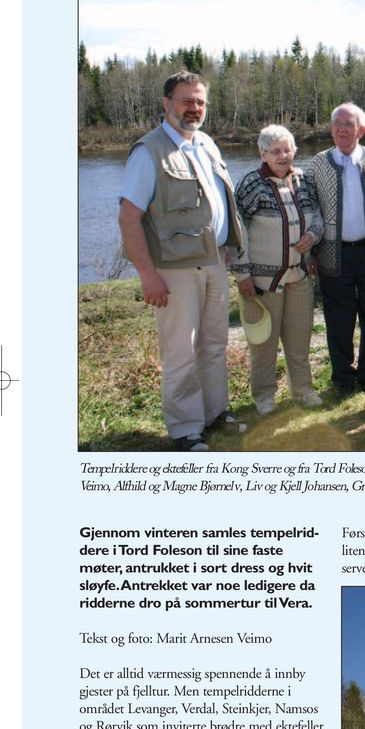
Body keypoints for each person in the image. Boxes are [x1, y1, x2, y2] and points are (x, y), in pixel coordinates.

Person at [117, 71, 247, 451]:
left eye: (200, 102)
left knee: (214, 344)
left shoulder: (206, 144)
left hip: (214, 264)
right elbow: (129, 217)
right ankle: (185, 428)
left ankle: (214, 414)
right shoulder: (149, 152)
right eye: (187, 100)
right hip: (174, 272)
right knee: (181, 351)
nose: (194, 108)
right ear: (167, 104)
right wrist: (147, 275)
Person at [232, 125, 323, 414]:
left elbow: (319, 218)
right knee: (264, 344)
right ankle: (264, 396)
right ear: (263, 154)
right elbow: (236, 231)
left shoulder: (305, 182)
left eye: (288, 150)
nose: (284, 156)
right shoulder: (250, 185)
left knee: (299, 340)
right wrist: (242, 273)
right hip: (263, 281)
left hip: (300, 277)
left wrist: (314, 235)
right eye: (276, 151)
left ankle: (303, 390)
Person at [307, 103, 365, 398]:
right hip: (333, 254)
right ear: (331, 129)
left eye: (348, 124)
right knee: (338, 320)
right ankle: (342, 376)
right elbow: (310, 210)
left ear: (361, 130)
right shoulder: (317, 164)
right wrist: (311, 254)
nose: (342, 129)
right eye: (337, 124)